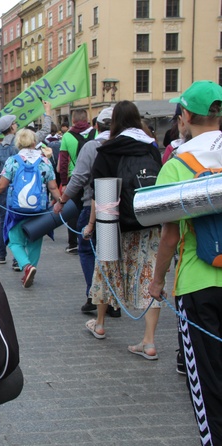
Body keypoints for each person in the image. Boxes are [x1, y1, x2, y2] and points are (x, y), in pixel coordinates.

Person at [148, 80, 222, 445]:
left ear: (186, 116)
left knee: (208, 390)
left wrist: (158, 280)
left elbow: (170, 237)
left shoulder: (178, 165)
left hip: (197, 285)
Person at [83, 100, 162, 359]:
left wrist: (92, 224)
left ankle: (101, 324)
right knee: (148, 276)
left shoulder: (107, 149)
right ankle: (148, 341)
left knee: (106, 270)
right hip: (146, 220)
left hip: (111, 218)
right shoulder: (151, 147)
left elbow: (99, 193)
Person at [53, 107, 119, 316]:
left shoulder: (92, 146)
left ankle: (94, 295)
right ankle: (113, 301)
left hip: (94, 205)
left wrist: (62, 200)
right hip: (121, 206)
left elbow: (79, 177)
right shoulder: (127, 143)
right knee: (110, 253)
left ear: (97, 126)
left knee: (87, 248)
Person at [0, 101, 52, 268]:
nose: (16, 125)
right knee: (25, 223)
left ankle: (2, 253)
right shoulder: (25, 140)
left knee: (5, 223)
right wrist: (47, 112)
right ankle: (18, 260)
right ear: (12, 128)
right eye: (15, 123)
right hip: (27, 194)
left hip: (5, 195)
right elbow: (45, 131)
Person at [0, 128, 61, 289]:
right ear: (34, 142)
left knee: (14, 241)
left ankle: (26, 267)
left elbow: (1, 185)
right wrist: (60, 201)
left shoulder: (13, 160)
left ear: (18, 143)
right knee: (35, 240)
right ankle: (31, 269)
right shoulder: (45, 161)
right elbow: (53, 187)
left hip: (17, 209)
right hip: (39, 209)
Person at [58, 109, 94, 254]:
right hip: (93, 176)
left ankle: (73, 243)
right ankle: (90, 237)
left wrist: (64, 182)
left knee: (73, 211)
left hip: (75, 176)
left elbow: (64, 160)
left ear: (73, 120)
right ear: (87, 118)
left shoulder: (67, 136)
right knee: (91, 207)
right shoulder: (95, 133)